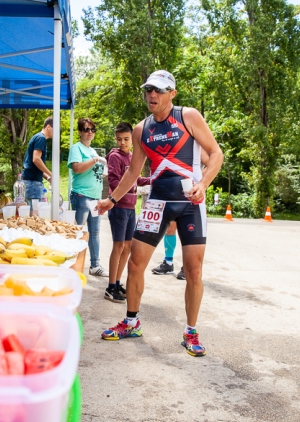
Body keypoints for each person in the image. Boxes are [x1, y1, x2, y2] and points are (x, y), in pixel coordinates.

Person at [95, 70, 224, 357]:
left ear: (172, 94)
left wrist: (203, 184)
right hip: (156, 203)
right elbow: (133, 171)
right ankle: (131, 321)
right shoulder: (141, 129)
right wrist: (111, 200)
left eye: (159, 90)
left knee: (193, 271)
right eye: (149, 90)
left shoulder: (188, 116)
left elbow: (216, 154)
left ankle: (191, 332)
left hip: (190, 203)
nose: (152, 95)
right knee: (136, 263)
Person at [104, 122, 150, 303]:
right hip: (118, 207)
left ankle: (117, 282)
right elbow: (115, 182)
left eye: (126, 139)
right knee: (118, 246)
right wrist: (131, 189)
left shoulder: (132, 156)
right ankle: (110, 287)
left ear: (132, 139)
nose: (122, 143)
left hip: (131, 208)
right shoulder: (115, 157)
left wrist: (151, 180)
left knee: (128, 246)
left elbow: (136, 178)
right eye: (119, 139)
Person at [151, 151, 208, 280]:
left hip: (192, 195)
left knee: (188, 233)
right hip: (173, 194)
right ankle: (168, 262)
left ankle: (185, 267)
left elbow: (211, 163)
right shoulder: (175, 141)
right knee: (170, 227)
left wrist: (199, 181)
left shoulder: (197, 142)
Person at [68, 117, 109, 277]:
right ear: (80, 132)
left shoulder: (92, 151)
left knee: (95, 231)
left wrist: (104, 169)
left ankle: (95, 265)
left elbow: (98, 173)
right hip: (81, 196)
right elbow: (77, 168)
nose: (90, 132)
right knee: (79, 230)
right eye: (86, 129)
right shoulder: (76, 148)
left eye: (92, 129)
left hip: (94, 198)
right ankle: (72, 263)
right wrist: (95, 160)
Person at [22, 117, 53, 208]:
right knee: (34, 216)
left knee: (31, 214)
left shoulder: (37, 137)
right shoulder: (41, 138)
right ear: (48, 127)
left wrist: (48, 177)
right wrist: (52, 174)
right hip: (33, 184)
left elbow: (35, 166)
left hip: (30, 182)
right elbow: (36, 159)